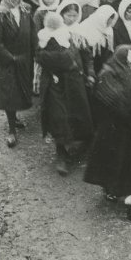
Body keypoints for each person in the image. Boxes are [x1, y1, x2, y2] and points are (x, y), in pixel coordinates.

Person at [85, 46, 131, 225]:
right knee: (113, 157)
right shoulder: (109, 73)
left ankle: (127, 189)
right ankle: (110, 187)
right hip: (115, 123)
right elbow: (111, 97)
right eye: (130, 62)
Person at [36, 12, 94, 176]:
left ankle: (80, 145)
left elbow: (80, 55)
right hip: (54, 84)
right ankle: (61, 153)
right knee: (58, 116)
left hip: (73, 83)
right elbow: (41, 57)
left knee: (77, 112)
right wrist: (66, 61)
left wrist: (88, 72)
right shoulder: (44, 38)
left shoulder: (72, 36)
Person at [0, 0, 35, 148]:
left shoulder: (25, 10)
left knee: (21, 90)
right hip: (8, 62)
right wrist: (10, 57)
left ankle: (15, 119)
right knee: (9, 92)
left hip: (24, 59)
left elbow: (32, 33)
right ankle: (11, 130)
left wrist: (34, 53)